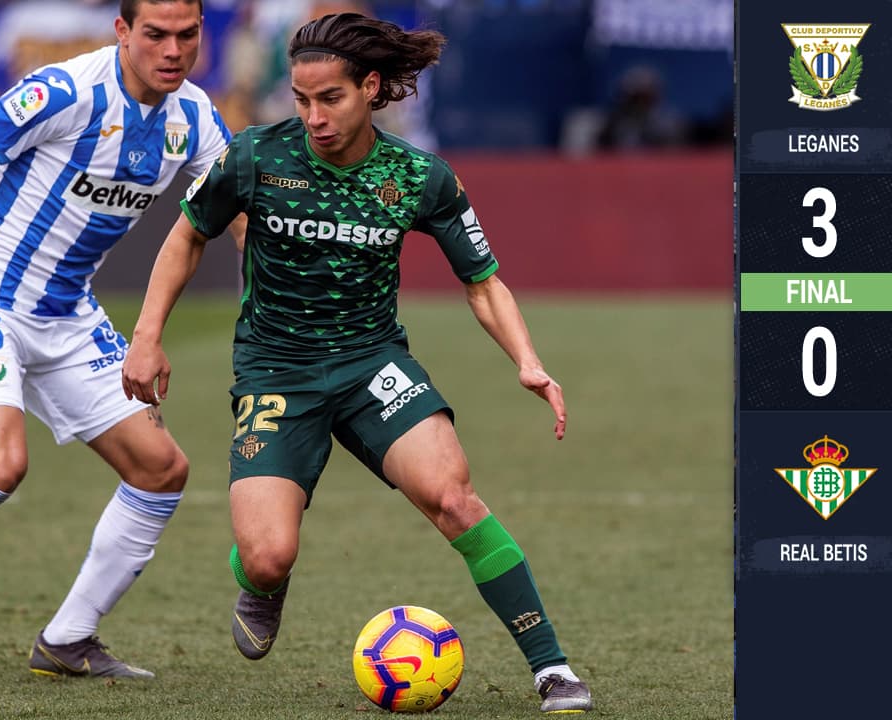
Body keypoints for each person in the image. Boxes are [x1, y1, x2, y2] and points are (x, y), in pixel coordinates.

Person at [121, 12, 593, 714]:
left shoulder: (418, 176)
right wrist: (147, 335)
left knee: (454, 498)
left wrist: (527, 360)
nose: (312, 116)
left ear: (370, 88)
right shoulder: (254, 157)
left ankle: (552, 667)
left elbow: (482, 279)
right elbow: (188, 236)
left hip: (372, 365)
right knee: (267, 554)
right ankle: (261, 583)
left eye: (329, 99)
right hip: (276, 370)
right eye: (301, 99)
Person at [0, 0, 233, 679]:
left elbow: (238, 205)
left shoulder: (195, 118)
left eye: (187, 35)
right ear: (122, 31)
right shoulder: (68, 89)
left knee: (161, 470)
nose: (173, 50)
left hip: (69, 316)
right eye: (155, 34)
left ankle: (68, 640)